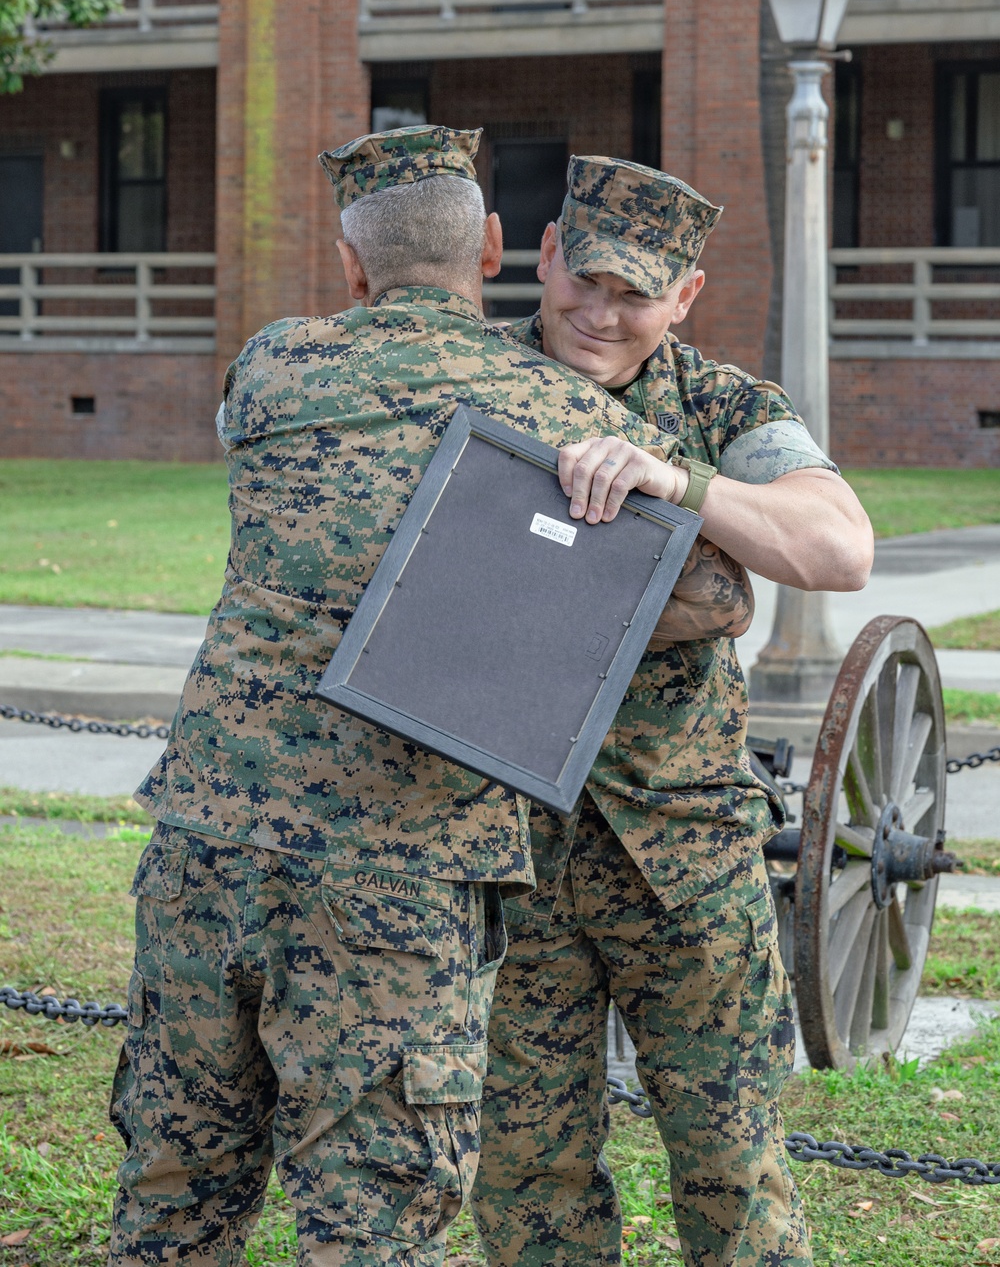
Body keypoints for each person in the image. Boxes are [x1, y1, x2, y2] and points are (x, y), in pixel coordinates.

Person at [107, 126, 715, 1267]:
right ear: (493, 249)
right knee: (377, 1221)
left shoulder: (272, 366)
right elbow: (716, 593)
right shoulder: (568, 416)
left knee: (173, 1193)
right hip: (398, 877)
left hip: (205, 847)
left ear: (348, 265)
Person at [470, 157, 875, 1267]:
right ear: (544, 255)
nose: (600, 312)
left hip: (686, 858)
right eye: (583, 278)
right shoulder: (469, 382)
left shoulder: (719, 405)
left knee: (732, 1169)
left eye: (636, 293)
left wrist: (675, 481)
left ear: (685, 297)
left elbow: (839, 547)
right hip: (512, 861)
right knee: (526, 1180)